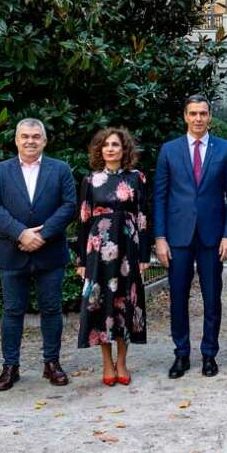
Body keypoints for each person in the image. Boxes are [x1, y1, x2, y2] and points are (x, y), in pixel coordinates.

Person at [153, 94, 227, 378]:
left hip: (212, 236)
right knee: (178, 296)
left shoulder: (225, 149)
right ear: (185, 116)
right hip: (177, 236)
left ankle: (209, 354)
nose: (198, 118)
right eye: (193, 114)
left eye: (203, 113)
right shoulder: (169, 150)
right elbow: (160, 196)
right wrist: (160, 237)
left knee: (212, 296)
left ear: (210, 117)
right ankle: (181, 354)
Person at [0, 118, 77, 391]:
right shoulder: (0, 171)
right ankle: (10, 366)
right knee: (12, 311)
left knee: (51, 309)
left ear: (44, 141)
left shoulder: (60, 169)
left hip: (49, 253)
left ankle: (52, 363)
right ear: (16, 140)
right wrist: (21, 234)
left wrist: (43, 234)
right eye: (24, 136)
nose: (30, 141)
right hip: (12, 252)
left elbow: (69, 205)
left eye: (36, 136)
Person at [75, 128, 150, 386]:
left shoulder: (136, 178)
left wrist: (144, 255)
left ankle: (122, 362)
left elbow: (142, 217)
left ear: (123, 149)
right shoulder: (90, 180)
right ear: (100, 150)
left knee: (124, 304)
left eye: (115, 144)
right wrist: (81, 261)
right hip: (98, 251)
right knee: (101, 304)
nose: (110, 149)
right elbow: (83, 221)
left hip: (128, 250)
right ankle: (106, 363)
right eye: (105, 145)